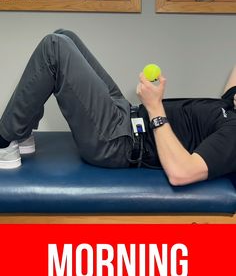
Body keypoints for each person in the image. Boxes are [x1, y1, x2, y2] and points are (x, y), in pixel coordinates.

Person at [0, 29, 236, 186]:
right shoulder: (231, 105)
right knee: (65, 35)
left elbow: (182, 173)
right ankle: (21, 133)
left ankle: (4, 140)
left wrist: (154, 107)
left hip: (118, 143)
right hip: (126, 116)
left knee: (54, 47)